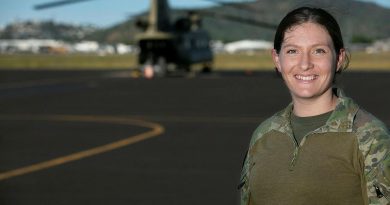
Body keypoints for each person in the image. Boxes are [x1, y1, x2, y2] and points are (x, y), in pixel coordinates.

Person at [239, 6, 390, 205]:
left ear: (339, 59)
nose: (305, 64)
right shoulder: (264, 135)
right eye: (292, 51)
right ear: (277, 59)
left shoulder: (368, 137)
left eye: (319, 51)